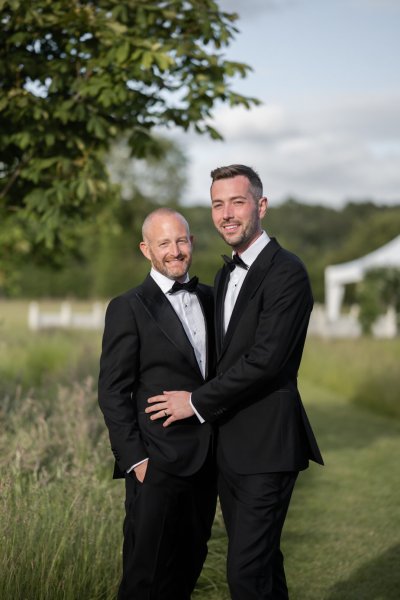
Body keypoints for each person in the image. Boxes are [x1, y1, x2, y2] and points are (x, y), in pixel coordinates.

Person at [146, 165, 324, 600]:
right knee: (262, 566)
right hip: (229, 449)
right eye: (217, 204)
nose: (226, 213)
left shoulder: (287, 272)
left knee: (245, 573)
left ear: (260, 206)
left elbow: (266, 361)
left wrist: (196, 402)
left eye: (237, 202)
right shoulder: (225, 274)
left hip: (268, 446)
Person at [98, 208, 217, 600]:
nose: (175, 250)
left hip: (208, 464)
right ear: (146, 249)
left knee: (186, 573)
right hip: (156, 464)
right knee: (143, 580)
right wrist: (137, 461)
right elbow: (113, 390)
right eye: (164, 243)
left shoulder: (211, 298)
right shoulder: (127, 307)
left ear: (192, 243)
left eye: (181, 240)